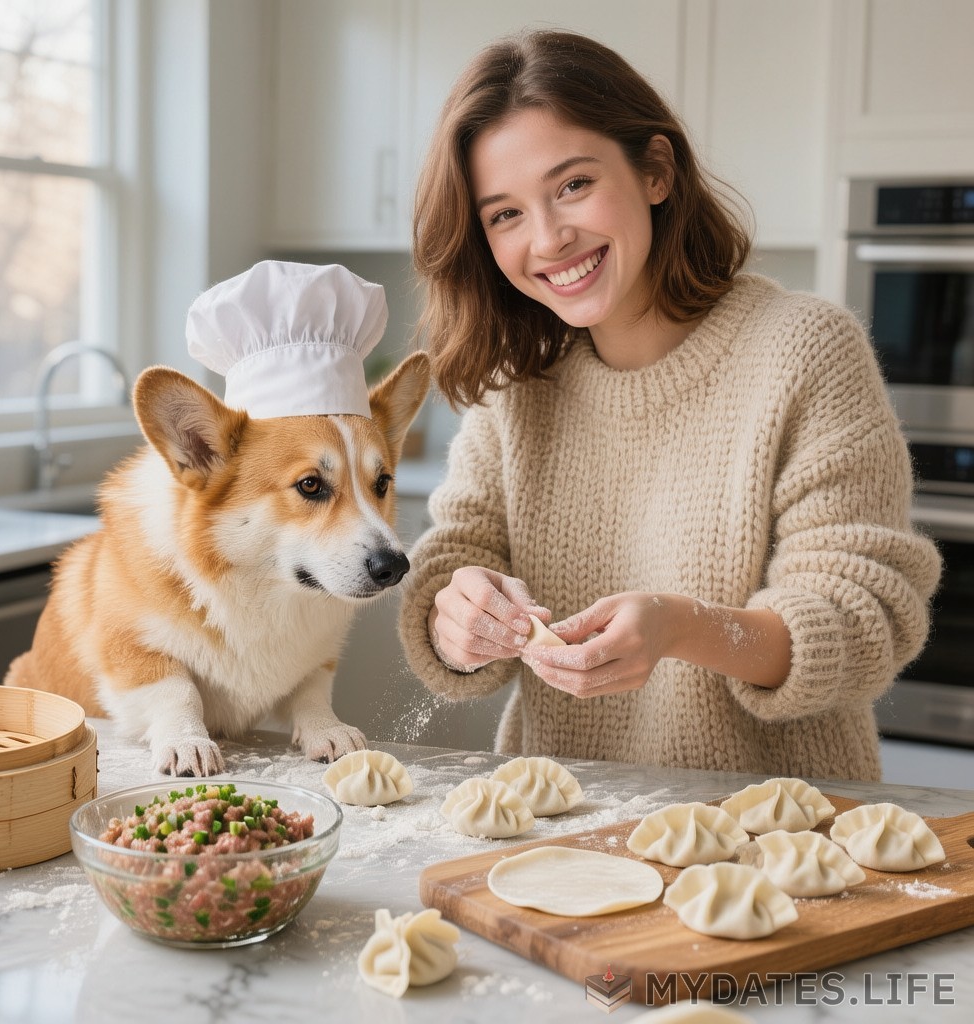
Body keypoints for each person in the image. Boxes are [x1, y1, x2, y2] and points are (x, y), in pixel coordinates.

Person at [397, 29, 941, 781]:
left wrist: (683, 628)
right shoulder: (517, 385)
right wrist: (459, 617)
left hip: (780, 841)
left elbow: (864, 619)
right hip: (560, 826)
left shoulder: (804, 350)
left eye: (573, 186)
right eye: (505, 215)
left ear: (655, 170)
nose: (550, 238)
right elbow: (454, 563)